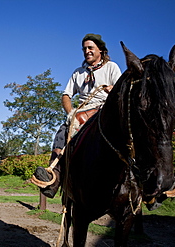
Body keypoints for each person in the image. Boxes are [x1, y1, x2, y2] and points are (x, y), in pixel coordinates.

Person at [33, 33, 122, 198]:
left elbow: (121, 94)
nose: (87, 51)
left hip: (104, 110)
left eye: (90, 48)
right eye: (85, 49)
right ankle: (54, 177)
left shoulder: (112, 68)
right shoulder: (78, 72)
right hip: (81, 112)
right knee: (62, 132)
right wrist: (71, 112)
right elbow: (66, 95)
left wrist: (113, 91)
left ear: (101, 50)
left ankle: (151, 182)